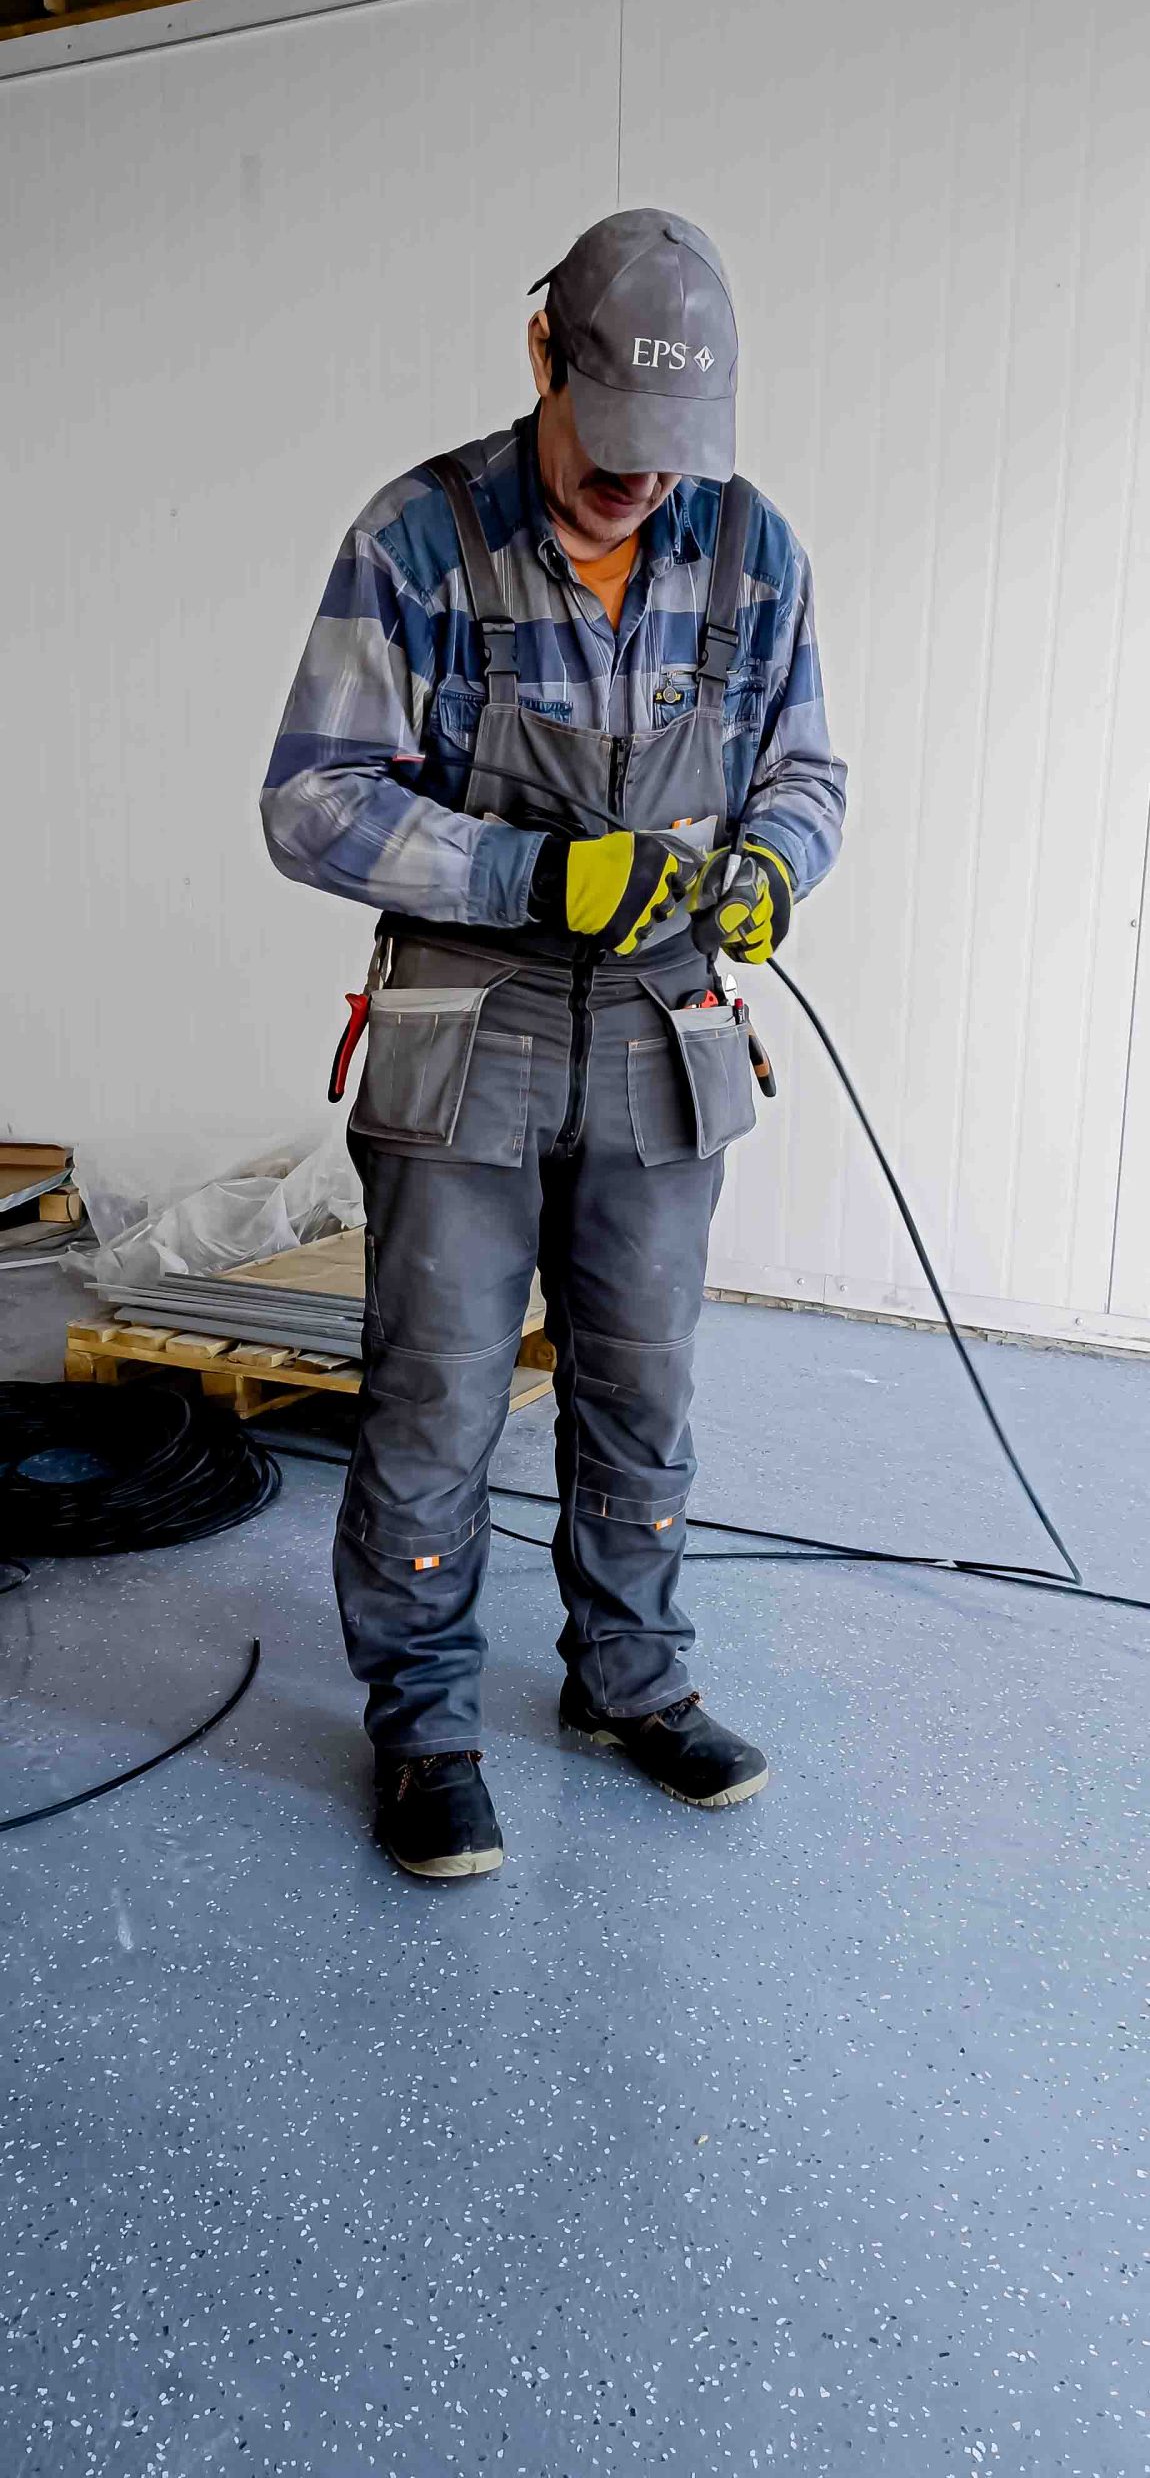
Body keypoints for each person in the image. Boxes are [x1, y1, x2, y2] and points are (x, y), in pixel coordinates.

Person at [262, 208, 846, 1880]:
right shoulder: (415, 538)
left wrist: (771, 866)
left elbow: (806, 771)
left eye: (674, 453)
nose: (639, 482)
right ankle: (425, 1729)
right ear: (543, 357)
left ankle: (630, 1683)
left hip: (664, 1027)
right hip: (471, 1026)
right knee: (436, 1399)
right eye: (613, 441)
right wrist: (525, 870)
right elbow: (309, 799)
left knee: (641, 1385)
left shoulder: (752, 546)